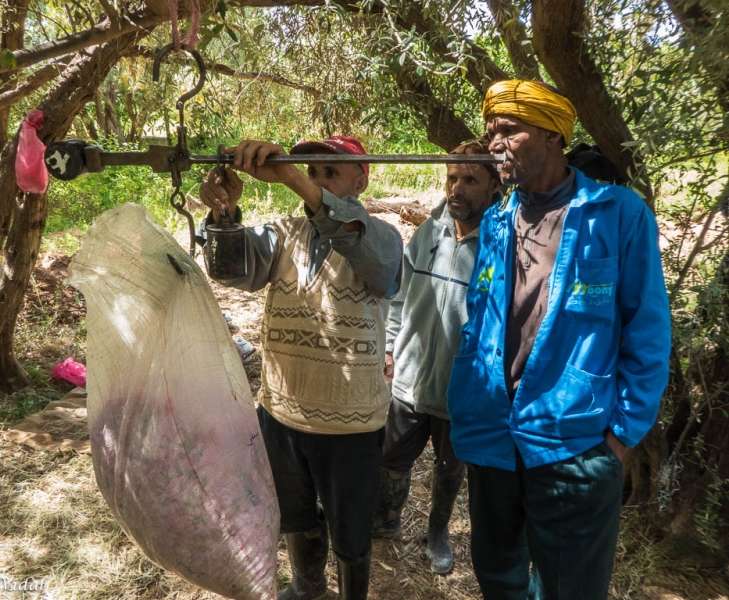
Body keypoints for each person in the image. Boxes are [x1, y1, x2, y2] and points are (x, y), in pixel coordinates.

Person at [446, 80, 671, 599]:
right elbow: (481, 317)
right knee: (498, 577)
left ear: (553, 135)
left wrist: (618, 437)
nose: (494, 143)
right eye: (490, 132)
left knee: (569, 587)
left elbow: (648, 331)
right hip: (491, 440)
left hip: (576, 443)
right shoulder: (499, 218)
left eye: (509, 130)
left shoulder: (616, 214)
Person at [197, 136, 403, 600]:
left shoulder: (382, 236)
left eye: (329, 171)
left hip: (350, 424)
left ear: (361, 178)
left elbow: (379, 267)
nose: (316, 178)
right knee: (295, 514)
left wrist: (290, 178)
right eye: (311, 171)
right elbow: (231, 270)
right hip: (282, 415)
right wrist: (224, 212)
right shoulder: (285, 233)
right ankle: (308, 590)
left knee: (351, 530)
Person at [372, 140, 501, 575]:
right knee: (393, 458)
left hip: (459, 387)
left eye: (469, 180)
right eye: (451, 178)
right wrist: (390, 348)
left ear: (494, 185)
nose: (457, 188)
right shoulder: (429, 232)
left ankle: (437, 532)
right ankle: (386, 520)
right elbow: (401, 297)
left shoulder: (501, 244)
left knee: (450, 468)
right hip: (410, 378)